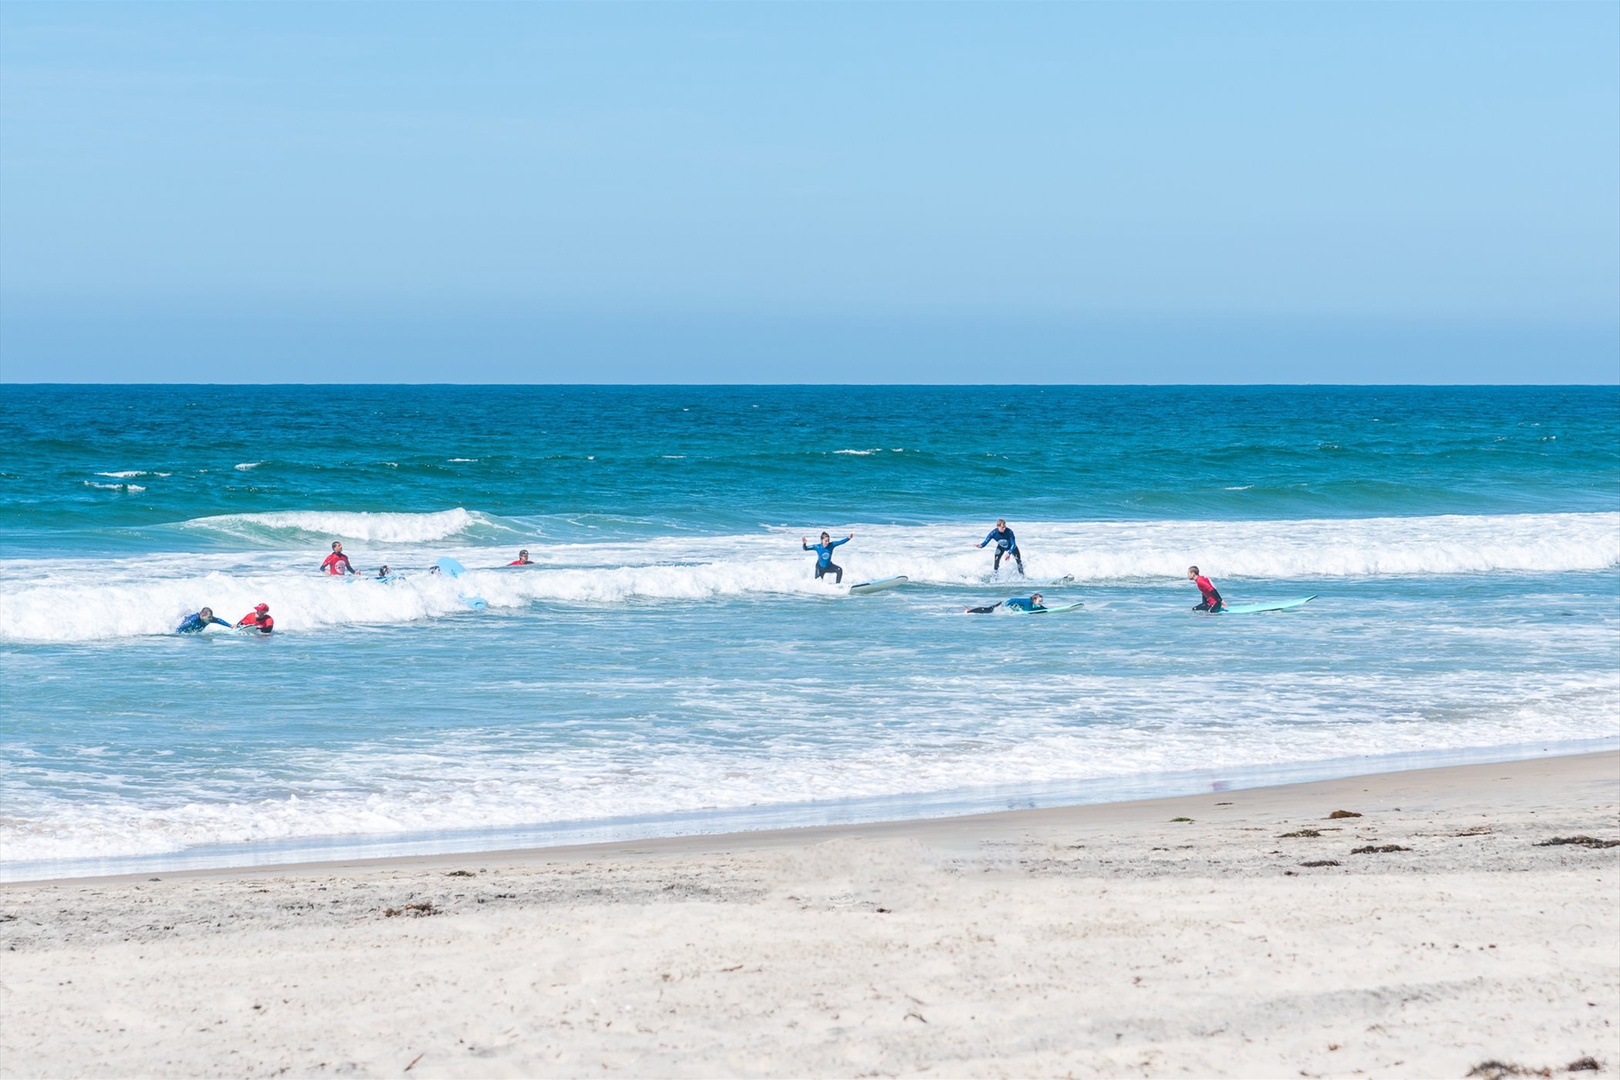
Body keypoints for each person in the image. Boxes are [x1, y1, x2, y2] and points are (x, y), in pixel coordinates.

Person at [966, 592, 1045, 614]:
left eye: (1041, 601)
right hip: (1007, 603)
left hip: (1009, 602)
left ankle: (970, 610)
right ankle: (969, 611)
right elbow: (1029, 611)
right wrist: (1041, 611)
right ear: (1034, 600)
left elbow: (1040, 608)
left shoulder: (1032, 602)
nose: (1041, 603)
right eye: (1040, 601)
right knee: (989, 610)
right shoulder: (1028, 603)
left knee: (990, 609)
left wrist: (1046, 609)